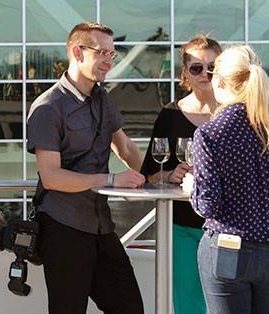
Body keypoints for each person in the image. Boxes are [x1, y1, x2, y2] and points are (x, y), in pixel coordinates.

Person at [27, 22, 145, 314]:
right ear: (78, 52)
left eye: (112, 54)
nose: (109, 60)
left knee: (130, 308)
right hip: (63, 228)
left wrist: (159, 175)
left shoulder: (103, 99)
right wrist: (111, 179)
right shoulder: (47, 108)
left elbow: (126, 149)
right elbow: (51, 177)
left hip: (101, 227)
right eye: (102, 52)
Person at [141, 34, 220, 314]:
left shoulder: (236, 114)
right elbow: (149, 173)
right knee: (189, 306)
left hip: (227, 227)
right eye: (197, 67)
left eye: (212, 67)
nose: (205, 73)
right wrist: (169, 174)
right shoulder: (169, 115)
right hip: (182, 225)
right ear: (185, 73)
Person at [192, 45, 269, 314]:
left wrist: (193, 188)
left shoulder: (210, 134)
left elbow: (207, 206)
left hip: (228, 249)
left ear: (220, 81)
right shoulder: (266, 127)